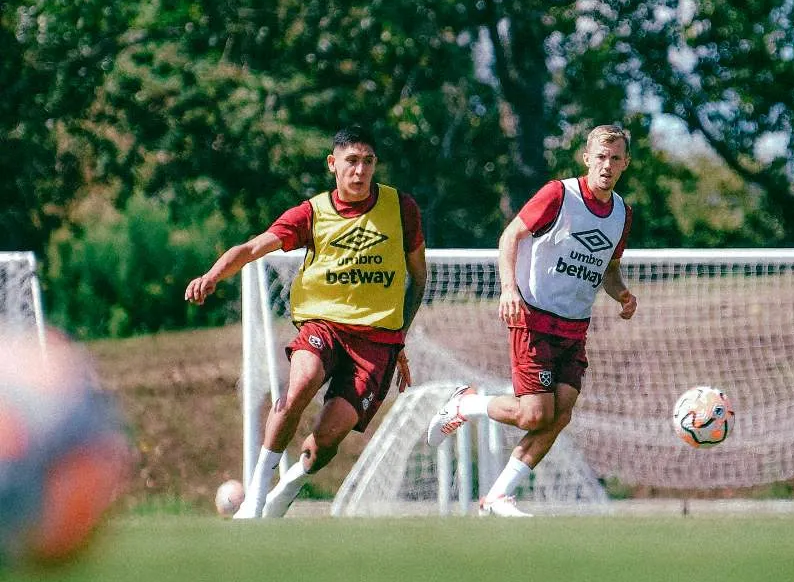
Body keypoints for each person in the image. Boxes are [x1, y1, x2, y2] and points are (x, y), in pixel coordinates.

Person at [185, 126, 427, 518]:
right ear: (333, 164)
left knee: (324, 442)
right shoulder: (313, 213)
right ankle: (257, 497)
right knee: (300, 384)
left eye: (368, 161)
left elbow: (419, 278)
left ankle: (288, 487)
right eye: (351, 161)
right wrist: (212, 276)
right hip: (323, 326)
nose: (360, 170)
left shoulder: (401, 210)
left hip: (376, 342)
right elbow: (252, 247)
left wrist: (400, 337)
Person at [426, 124, 637, 517]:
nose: (607, 165)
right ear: (586, 158)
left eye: (616, 158)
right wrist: (508, 289)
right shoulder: (560, 194)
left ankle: (496, 497)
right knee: (535, 414)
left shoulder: (622, 215)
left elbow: (609, 268)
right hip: (533, 317)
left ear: (625, 163)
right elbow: (510, 237)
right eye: (600, 156)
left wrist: (622, 293)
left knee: (561, 412)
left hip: (575, 326)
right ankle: (466, 405)